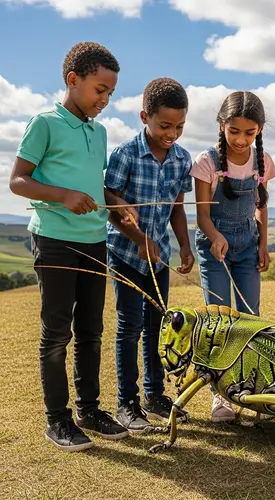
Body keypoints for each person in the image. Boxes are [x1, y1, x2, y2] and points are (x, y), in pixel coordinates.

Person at [9, 41, 130, 451]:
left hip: (95, 241)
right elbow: (18, 180)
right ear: (72, 80)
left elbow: (95, 188)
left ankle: (89, 410)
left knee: (92, 331)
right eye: (100, 90)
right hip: (55, 239)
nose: (105, 100)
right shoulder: (44, 122)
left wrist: (116, 207)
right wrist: (62, 195)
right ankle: (57, 420)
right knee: (57, 333)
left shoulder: (100, 132)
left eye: (111, 93)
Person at [105, 78, 194, 433]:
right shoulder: (125, 154)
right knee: (130, 327)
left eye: (179, 126)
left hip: (158, 258)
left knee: (158, 326)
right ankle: (126, 403)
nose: (172, 133)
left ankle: (155, 397)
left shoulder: (182, 159)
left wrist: (185, 245)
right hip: (126, 252)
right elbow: (111, 201)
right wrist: (138, 236)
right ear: (145, 116)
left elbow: (177, 207)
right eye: (164, 126)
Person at [190, 91, 275, 421]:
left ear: (259, 131)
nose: (242, 140)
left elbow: (261, 206)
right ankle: (220, 395)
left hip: (248, 247)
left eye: (250, 133)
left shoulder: (262, 162)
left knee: (251, 318)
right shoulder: (207, 163)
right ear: (221, 125)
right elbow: (202, 216)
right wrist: (215, 237)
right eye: (234, 131)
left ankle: (253, 390)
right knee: (219, 320)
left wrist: (264, 245)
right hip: (216, 250)